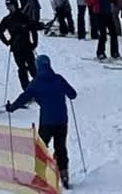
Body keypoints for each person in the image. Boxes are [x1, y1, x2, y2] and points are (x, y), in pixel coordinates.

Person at [5, 55, 76, 190]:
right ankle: (64, 174)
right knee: (61, 147)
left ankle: (40, 177)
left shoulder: (36, 83)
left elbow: (24, 97)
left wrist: (12, 107)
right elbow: (73, 94)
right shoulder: (58, 79)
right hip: (62, 121)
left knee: (41, 148)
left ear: (38, 67)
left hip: (46, 122)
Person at [0, 0, 37, 89]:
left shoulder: (23, 17)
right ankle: (27, 91)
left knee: (32, 68)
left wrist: (35, 43)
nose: (9, 8)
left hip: (27, 46)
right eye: (8, 6)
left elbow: (33, 29)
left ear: (15, 5)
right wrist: (6, 42)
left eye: (11, 5)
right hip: (16, 48)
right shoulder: (7, 19)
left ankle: (40, 88)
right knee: (22, 70)